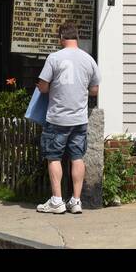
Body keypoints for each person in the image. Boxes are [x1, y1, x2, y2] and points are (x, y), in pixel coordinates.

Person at [35, 22, 100, 215]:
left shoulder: (54, 58)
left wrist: (43, 87)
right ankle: (76, 201)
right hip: (79, 119)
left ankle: (57, 201)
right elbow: (94, 91)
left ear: (61, 38)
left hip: (57, 118)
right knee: (77, 157)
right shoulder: (88, 60)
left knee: (53, 157)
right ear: (76, 37)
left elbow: (44, 87)